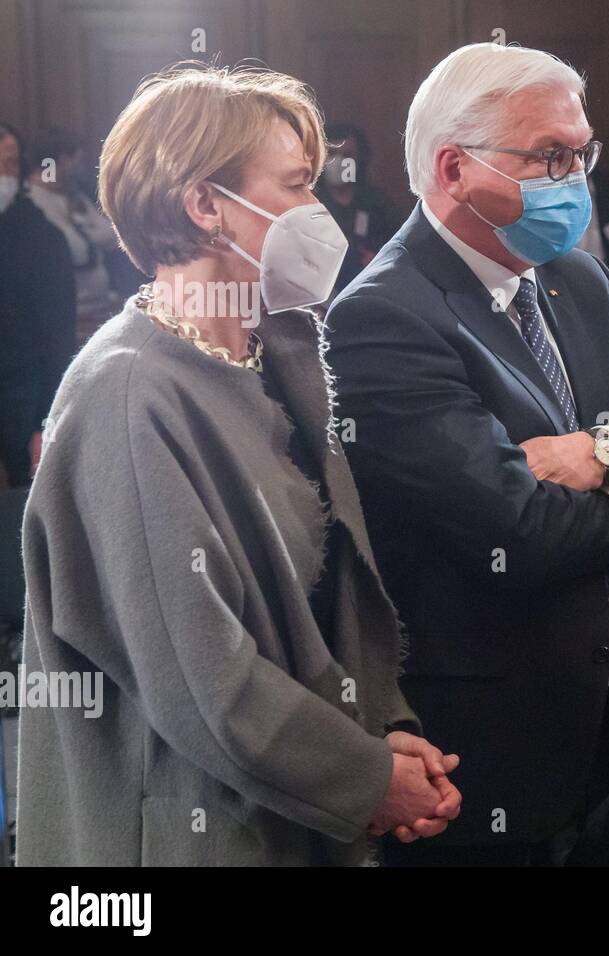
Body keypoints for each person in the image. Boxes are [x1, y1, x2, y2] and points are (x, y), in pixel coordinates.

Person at [16, 64, 461, 866]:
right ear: (205, 204)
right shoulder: (125, 396)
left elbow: (342, 585)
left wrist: (386, 727)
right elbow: (203, 684)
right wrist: (368, 780)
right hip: (189, 834)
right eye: (295, 186)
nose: (318, 211)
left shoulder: (280, 345)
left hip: (301, 814)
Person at [326, 42, 609, 866]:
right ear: (453, 167)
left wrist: (606, 453)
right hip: (492, 746)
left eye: (582, 153)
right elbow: (519, 534)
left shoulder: (578, 280)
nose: (576, 178)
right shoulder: (382, 318)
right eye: (550, 156)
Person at [0, 121, 77, 489]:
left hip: (24, 379)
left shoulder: (39, 235)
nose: (3, 174)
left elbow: (58, 330)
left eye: (10, 164)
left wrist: (45, 416)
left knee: (24, 483)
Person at [25, 126, 122, 335]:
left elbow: (113, 236)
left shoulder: (75, 196)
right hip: (68, 319)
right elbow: (71, 248)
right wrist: (87, 236)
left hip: (100, 309)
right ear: (62, 160)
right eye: (76, 159)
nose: (80, 167)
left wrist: (86, 234)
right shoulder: (31, 201)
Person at [317, 121, 397, 294]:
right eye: (332, 153)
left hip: (370, 290)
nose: (338, 161)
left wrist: (380, 262)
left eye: (347, 155)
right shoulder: (311, 203)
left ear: (359, 160)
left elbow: (400, 252)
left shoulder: (377, 203)